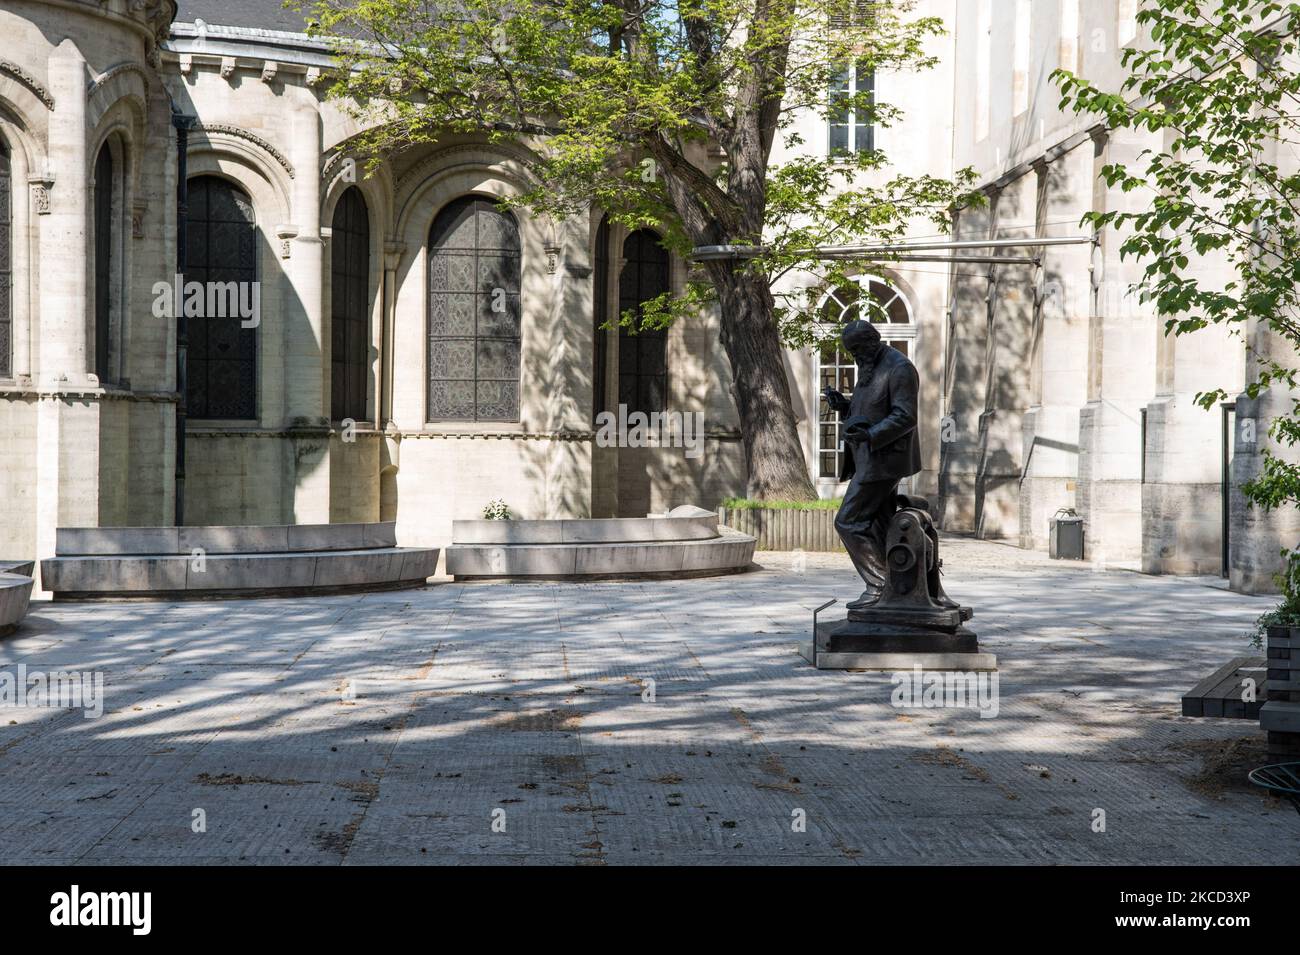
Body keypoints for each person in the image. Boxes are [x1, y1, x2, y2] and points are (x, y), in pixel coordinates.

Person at [821, 319, 922, 609]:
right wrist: (844, 406)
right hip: (870, 458)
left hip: (884, 460)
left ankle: (879, 585)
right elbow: (871, 407)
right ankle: (896, 588)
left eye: (856, 350)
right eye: (850, 352)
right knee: (876, 525)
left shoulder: (899, 368)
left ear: (871, 342)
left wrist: (872, 435)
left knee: (848, 521)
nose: (854, 357)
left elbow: (905, 415)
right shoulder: (870, 366)